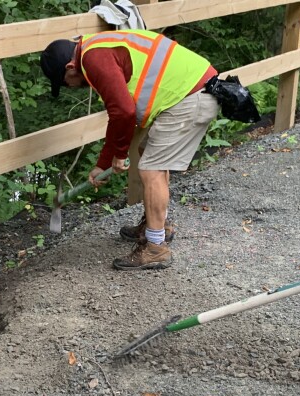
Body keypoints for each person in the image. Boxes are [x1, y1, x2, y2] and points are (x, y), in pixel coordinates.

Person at [40, 29, 219, 270]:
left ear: (70, 68)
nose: (70, 88)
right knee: (149, 155)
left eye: (65, 84)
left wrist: (119, 155)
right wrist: (103, 163)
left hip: (191, 96)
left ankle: (155, 248)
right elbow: (120, 112)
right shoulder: (95, 47)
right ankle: (158, 225)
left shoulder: (93, 59)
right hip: (194, 89)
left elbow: (123, 112)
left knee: (150, 170)